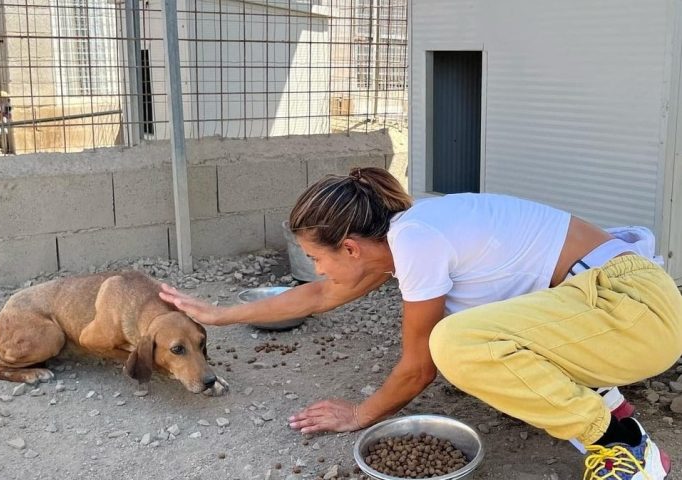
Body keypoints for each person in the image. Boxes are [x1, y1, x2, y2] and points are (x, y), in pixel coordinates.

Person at [160, 167, 682, 479]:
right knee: (478, 333)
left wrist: (360, 414)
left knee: (455, 341)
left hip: (631, 311)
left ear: (348, 246)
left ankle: (619, 441)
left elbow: (419, 367)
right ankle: (607, 404)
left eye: (314, 257)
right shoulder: (407, 235)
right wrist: (219, 314)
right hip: (614, 305)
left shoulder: (416, 240)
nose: (315, 269)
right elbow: (321, 294)